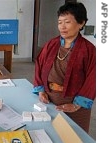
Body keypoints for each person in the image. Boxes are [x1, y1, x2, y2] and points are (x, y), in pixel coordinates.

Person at [33, 2, 95, 133]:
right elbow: (39, 65)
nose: (62, 26)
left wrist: (77, 105)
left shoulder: (89, 50)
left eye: (67, 22)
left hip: (75, 107)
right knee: (52, 136)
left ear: (81, 23)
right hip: (49, 101)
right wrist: (41, 90)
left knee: (74, 140)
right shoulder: (51, 44)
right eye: (60, 22)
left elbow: (94, 78)